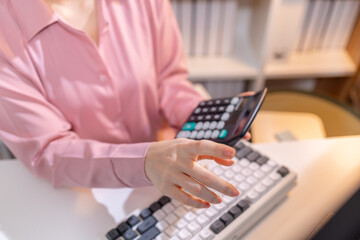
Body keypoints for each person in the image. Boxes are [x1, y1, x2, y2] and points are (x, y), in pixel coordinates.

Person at [0, 0, 249, 208]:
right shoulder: (5, 33)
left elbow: (168, 79)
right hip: (83, 198)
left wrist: (208, 118)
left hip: (169, 176)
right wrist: (142, 161)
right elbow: (47, 150)